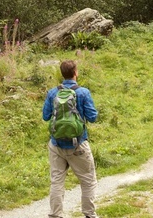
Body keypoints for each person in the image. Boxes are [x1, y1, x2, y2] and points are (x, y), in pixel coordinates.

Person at [42, 59, 99, 218]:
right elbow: (92, 117)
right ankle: (89, 214)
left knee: (57, 182)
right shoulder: (83, 92)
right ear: (75, 73)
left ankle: (55, 215)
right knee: (88, 181)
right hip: (78, 145)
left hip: (56, 145)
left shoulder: (52, 93)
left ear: (62, 74)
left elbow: (46, 116)